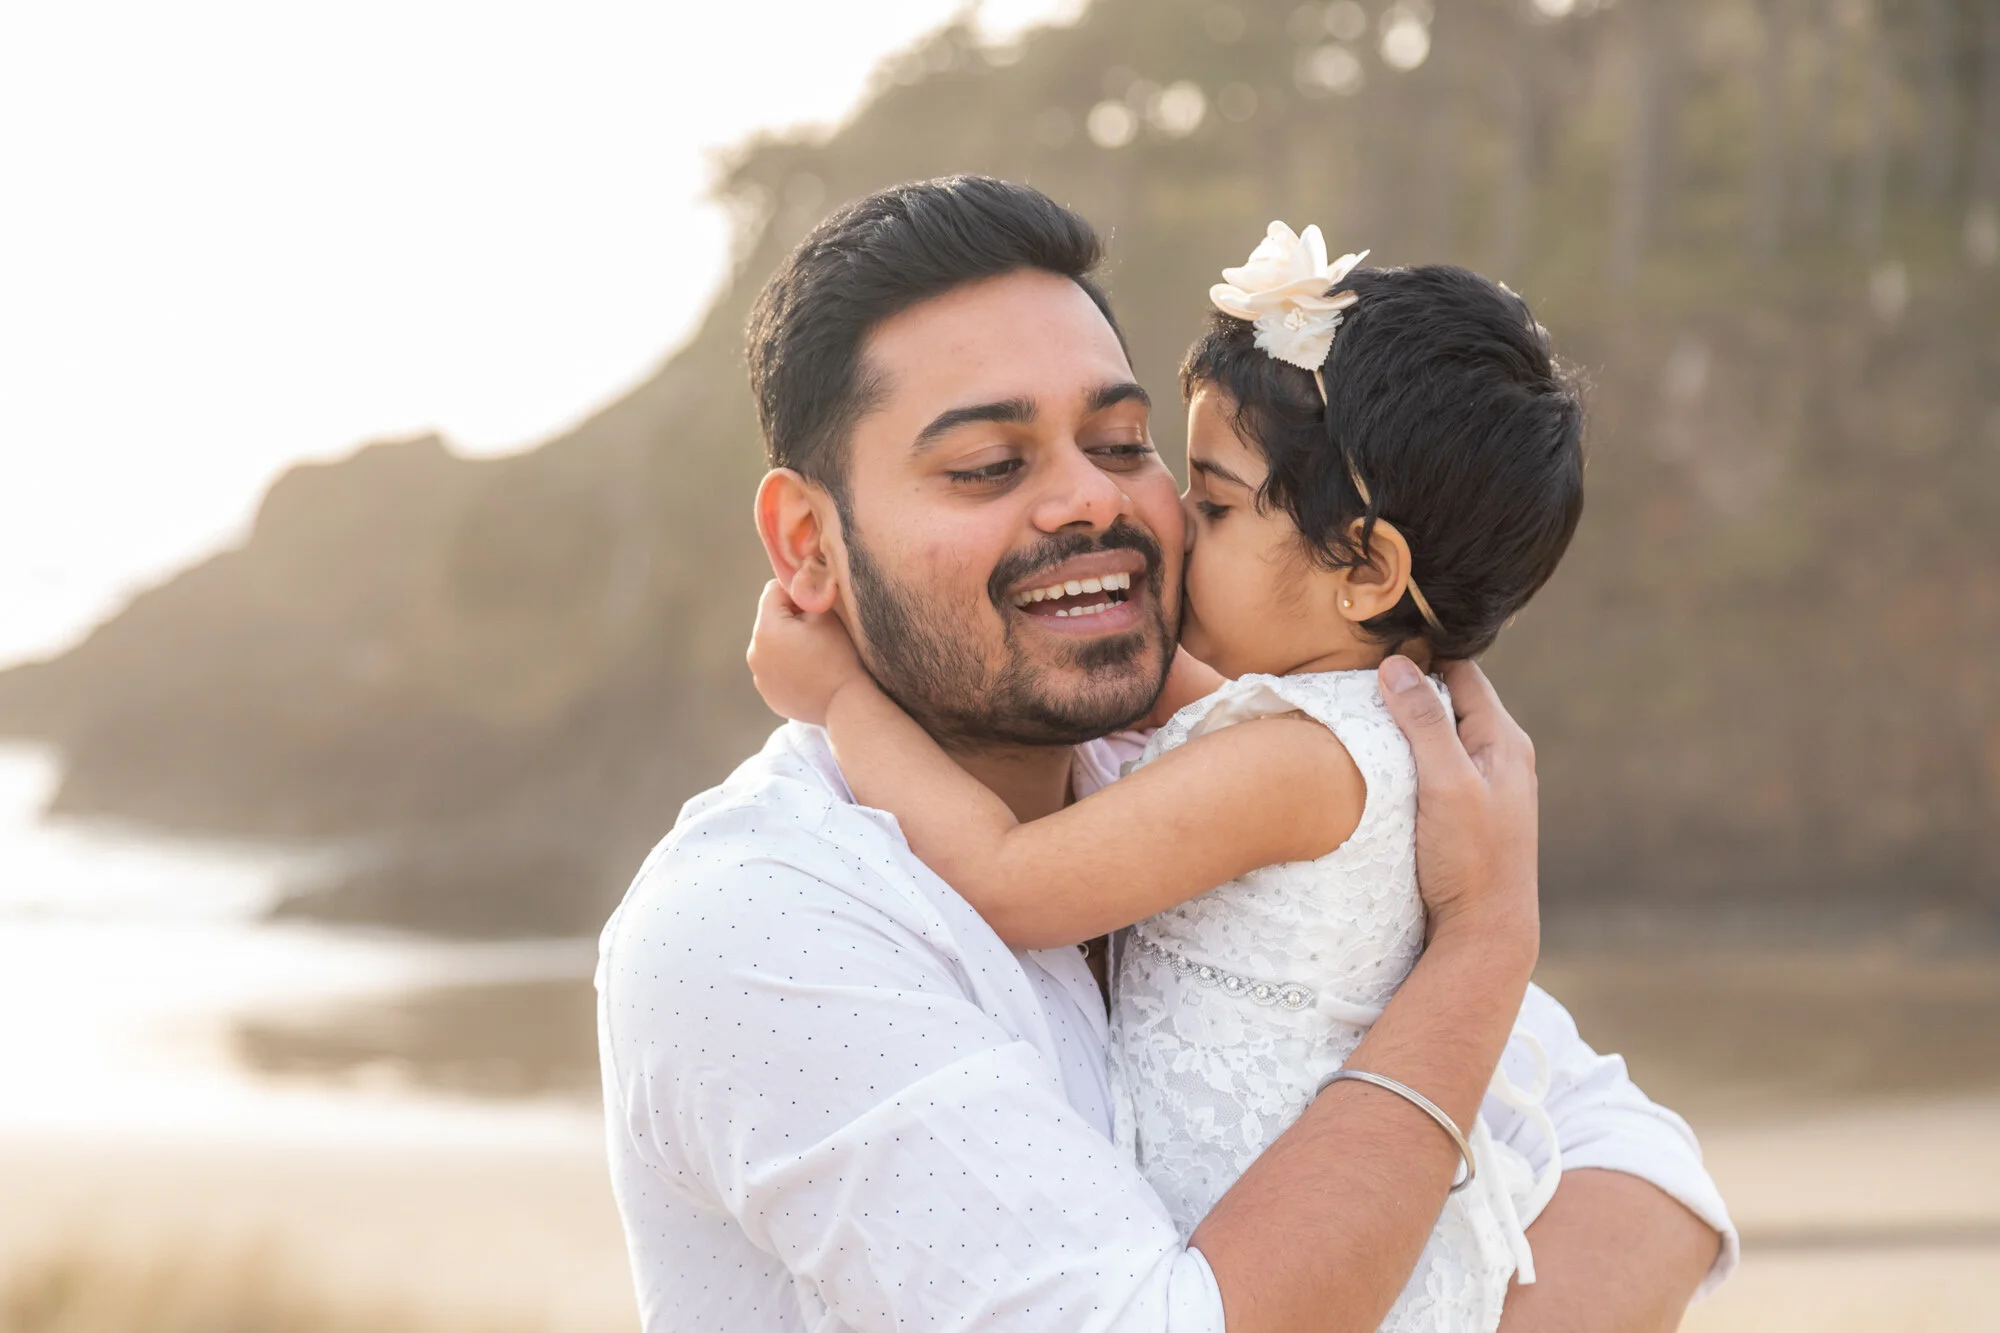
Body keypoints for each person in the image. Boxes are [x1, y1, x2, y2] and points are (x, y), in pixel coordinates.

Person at [596, 176, 1735, 1333]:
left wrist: (1477, 958)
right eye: (990, 463)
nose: (1091, 499)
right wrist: (1480, 949)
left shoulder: (1178, 776)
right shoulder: (758, 921)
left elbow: (1642, 1175)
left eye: (1120, 442)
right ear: (807, 542)